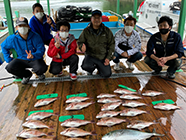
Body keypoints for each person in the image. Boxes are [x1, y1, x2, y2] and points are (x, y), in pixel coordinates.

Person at [1, 17, 48, 84]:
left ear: (28, 26)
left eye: (24, 25)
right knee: (9, 67)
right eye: (20, 26)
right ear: (17, 27)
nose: (22, 28)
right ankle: (26, 75)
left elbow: (41, 49)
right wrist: (8, 59)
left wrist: (33, 55)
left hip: (34, 58)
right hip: (21, 59)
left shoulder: (36, 36)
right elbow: (4, 46)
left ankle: (39, 73)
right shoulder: (12, 38)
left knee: (42, 68)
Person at [77, 10, 115, 78]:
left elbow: (112, 44)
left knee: (106, 74)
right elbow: (80, 42)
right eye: (94, 18)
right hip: (91, 56)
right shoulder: (86, 31)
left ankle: (99, 67)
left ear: (101, 19)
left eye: (99, 18)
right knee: (85, 66)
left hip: (102, 57)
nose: (96, 20)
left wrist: (108, 58)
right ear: (91, 19)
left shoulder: (107, 31)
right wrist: (81, 47)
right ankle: (90, 69)